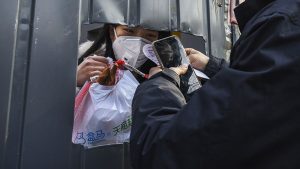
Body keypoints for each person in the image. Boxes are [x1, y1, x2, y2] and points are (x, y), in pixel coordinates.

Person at [130, 0, 300, 169]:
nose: (232, 20)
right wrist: (211, 67)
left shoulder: (284, 25)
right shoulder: (286, 24)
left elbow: (165, 150)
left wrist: (160, 82)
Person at [76, 24, 170, 87]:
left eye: (150, 35)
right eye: (129, 30)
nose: (138, 42)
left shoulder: (164, 73)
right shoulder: (85, 61)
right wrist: (74, 83)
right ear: (112, 33)